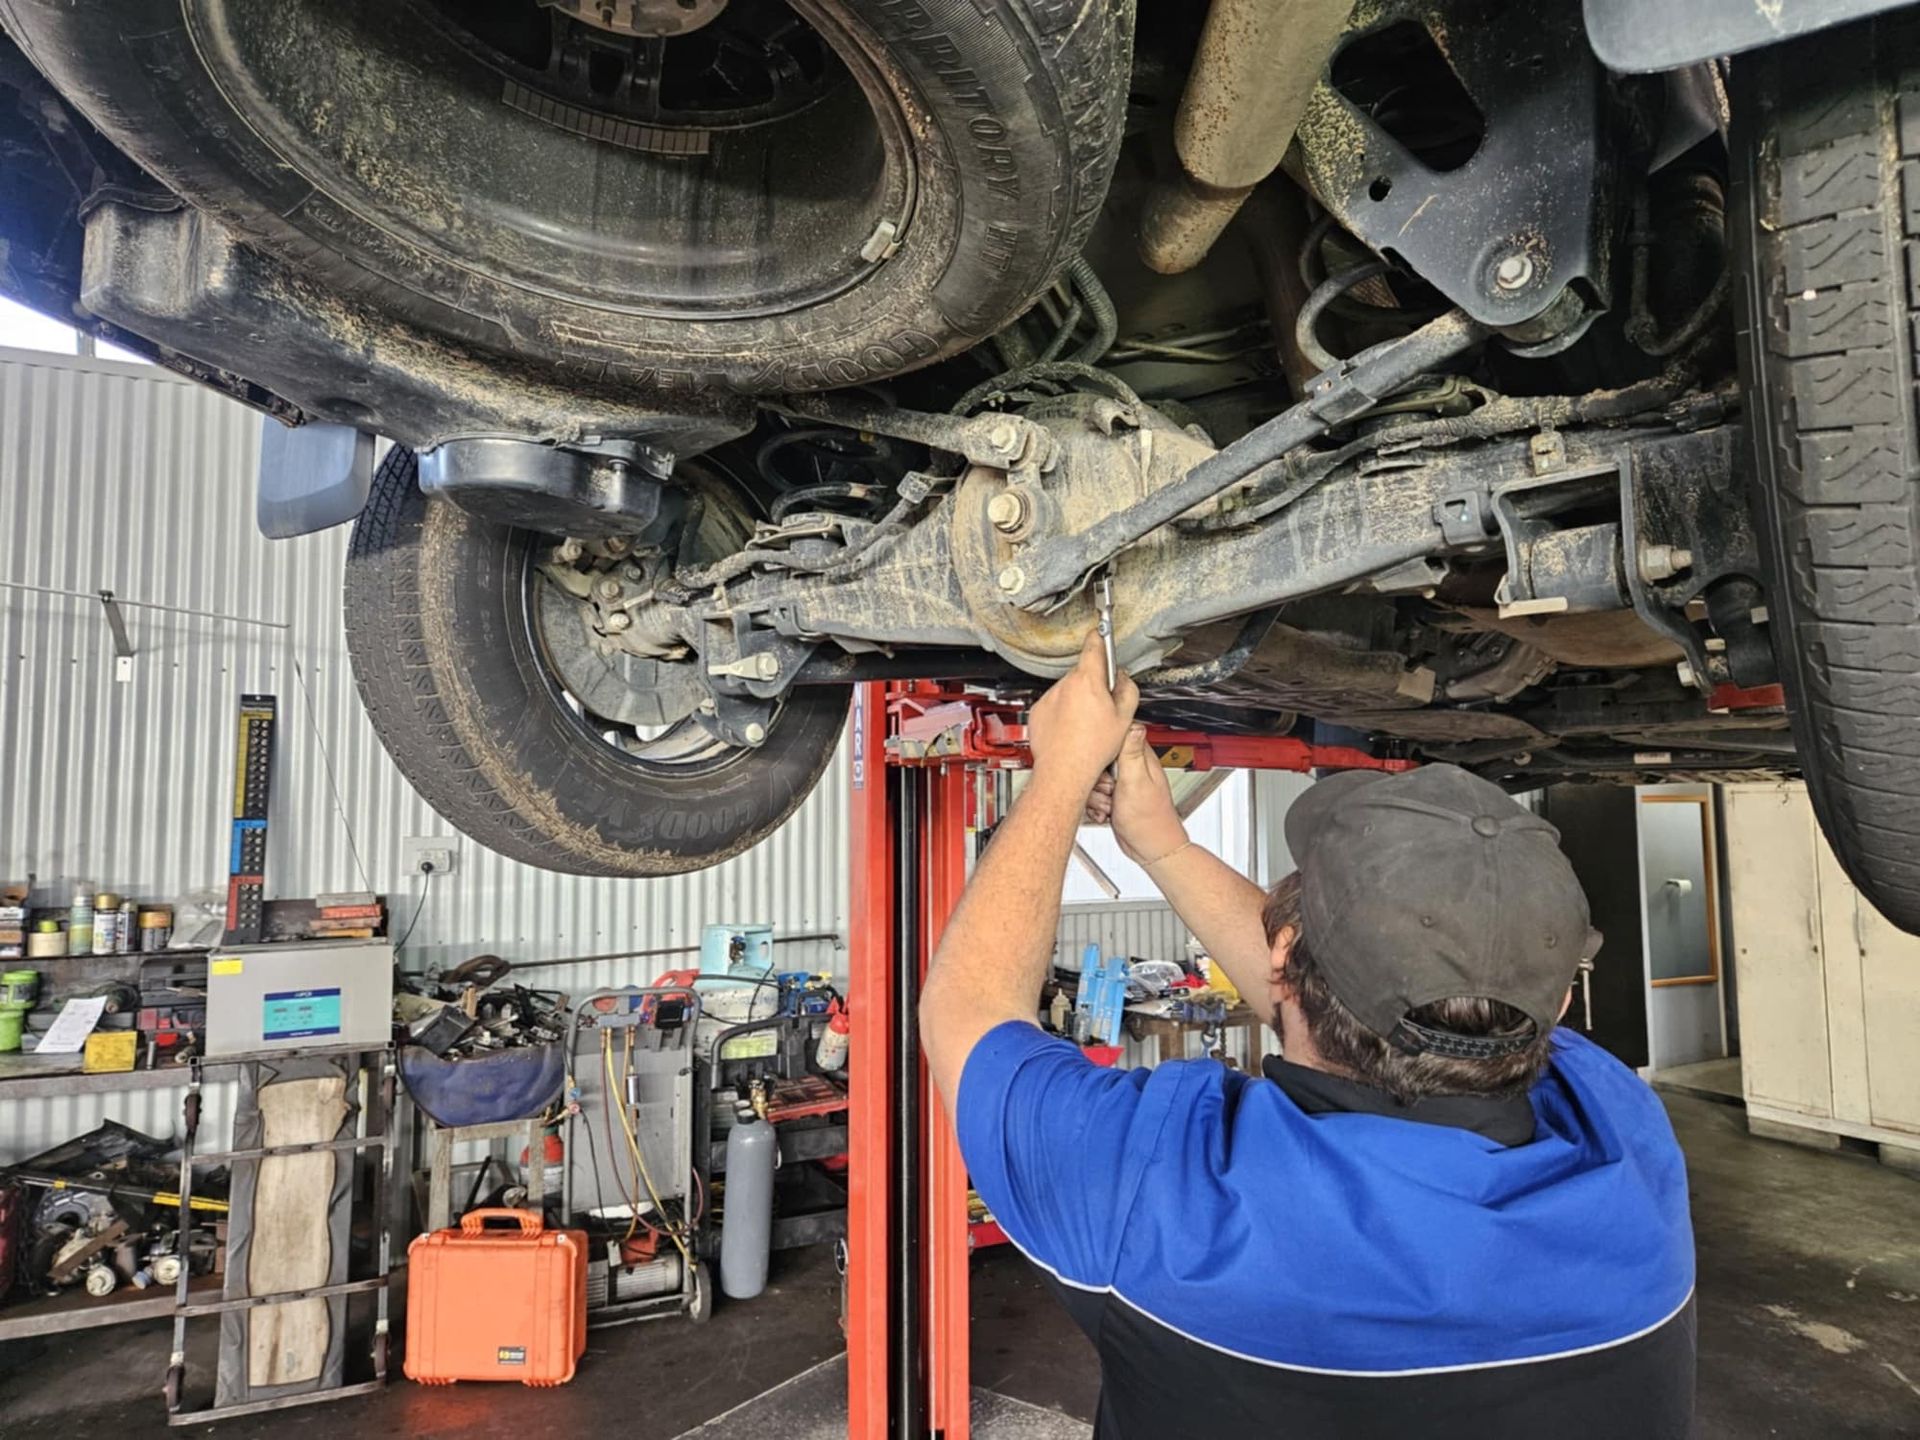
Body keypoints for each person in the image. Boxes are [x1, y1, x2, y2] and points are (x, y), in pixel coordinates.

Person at [918, 632, 1696, 1439]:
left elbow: (964, 1012)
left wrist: (1060, 774)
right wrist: (1164, 845)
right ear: (1560, 1002)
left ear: (1284, 954)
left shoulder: (1173, 1205)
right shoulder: (1625, 1142)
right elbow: (1331, 998)